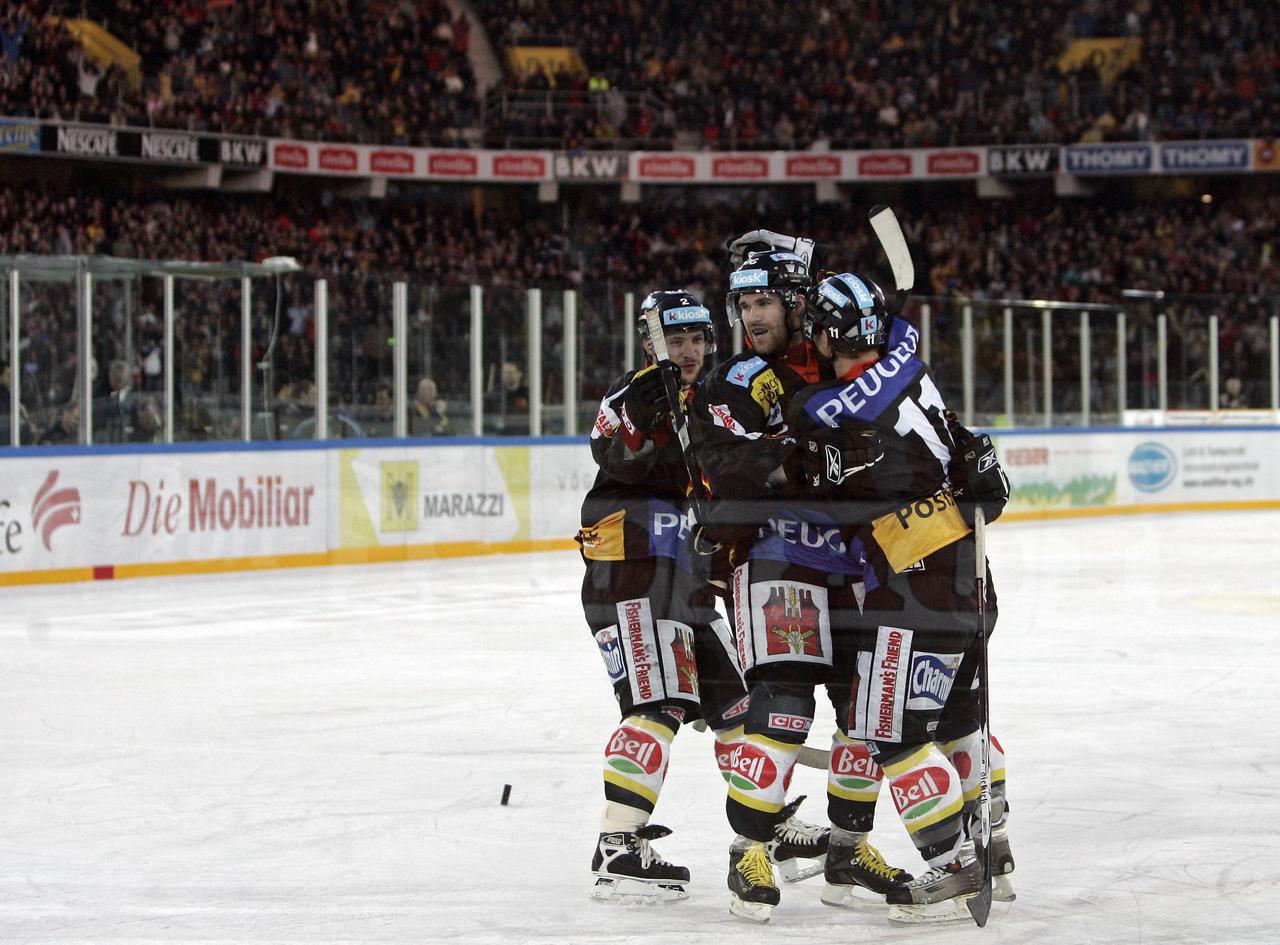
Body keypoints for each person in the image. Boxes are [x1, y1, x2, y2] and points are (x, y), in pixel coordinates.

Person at [577, 289, 828, 902]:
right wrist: (638, 415)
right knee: (658, 702)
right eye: (673, 339)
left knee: (738, 707)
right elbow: (610, 449)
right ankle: (618, 842)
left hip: (683, 577)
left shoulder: (714, 397)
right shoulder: (632, 392)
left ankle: (767, 821)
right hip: (633, 564)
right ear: (650, 343)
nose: (686, 351)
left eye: (695, 339)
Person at [691, 250, 912, 922]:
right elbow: (721, 469)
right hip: (775, 554)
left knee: (862, 710)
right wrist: (799, 455)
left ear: (798, 303)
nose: (751, 317)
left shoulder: (839, 358)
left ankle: (848, 848)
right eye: (743, 306)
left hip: (846, 562)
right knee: (785, 703)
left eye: (764, 303)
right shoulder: (742, 376)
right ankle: (749, 850)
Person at [795, 270, 1015, 920]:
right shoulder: (909, 357)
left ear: (833, 334)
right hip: (971, 577)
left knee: (886, 731)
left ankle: (951, 860)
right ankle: (994, 843)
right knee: (956, 720)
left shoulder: (823, 409)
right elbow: (979, 474)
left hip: (912, 587)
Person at [484, 360, 530, 434]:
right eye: (504, 373)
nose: (507, 376)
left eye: (510, 373)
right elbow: (486, 419)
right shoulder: (493, 396)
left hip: (524, 438)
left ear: (519, 374)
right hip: (500, 439)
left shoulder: (528, 395)